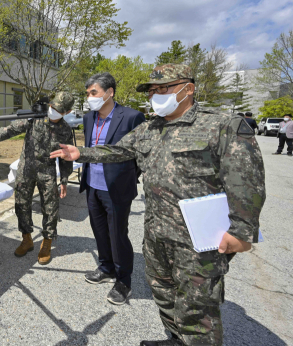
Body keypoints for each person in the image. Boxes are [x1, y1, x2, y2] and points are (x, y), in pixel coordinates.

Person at [51, 64, 265, 346]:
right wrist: (82, 152)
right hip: (156, 232)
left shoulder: (221, 125)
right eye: (153, 90)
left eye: (163, 89)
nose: (156, 95)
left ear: (187, 89)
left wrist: (242, 231)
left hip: (198, 240)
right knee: (163, 291)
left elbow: (247, 182)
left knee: (197, 307)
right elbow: (120, 150)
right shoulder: (152, 127)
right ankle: (176, 338)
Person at [0, 92, 75, 265]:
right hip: (26, 169)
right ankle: (27, 239)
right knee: (22, 205)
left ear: (67, 112)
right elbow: (13, 128)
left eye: (58, 109)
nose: (53, 110)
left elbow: (66, 156)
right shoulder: (35, 118)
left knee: (50, 208)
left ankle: (46, 243)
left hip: (47, 171)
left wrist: (64, 181)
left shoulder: (66, 130)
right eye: (52, 106)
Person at [80, 73, 146, 305]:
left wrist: (126, 178)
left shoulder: (131, 117)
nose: (89, 97)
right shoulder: (89, 118)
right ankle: (106, 267)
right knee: (99, 230)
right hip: (92, 186)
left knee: (118, 235)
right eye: (88, 93)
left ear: (110, 92)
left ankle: (123, 281)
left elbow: (139, 156)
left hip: (116, 189)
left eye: (93, 92)